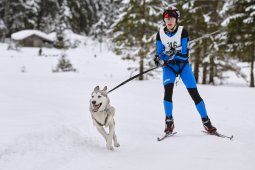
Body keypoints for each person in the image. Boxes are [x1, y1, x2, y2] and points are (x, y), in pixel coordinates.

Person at [154, 8, 217, 134]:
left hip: (183, 66)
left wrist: (173, 53)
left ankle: (206, 121)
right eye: (167, 19)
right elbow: (159, 53)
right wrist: (158, 59)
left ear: (176, 19)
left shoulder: (183, 32)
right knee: (168, 93)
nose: (169, 21)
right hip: (169, 67)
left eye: (171, 18)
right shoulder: (160, 33)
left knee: (194, 94)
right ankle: (169, 121)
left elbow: (184, 54)